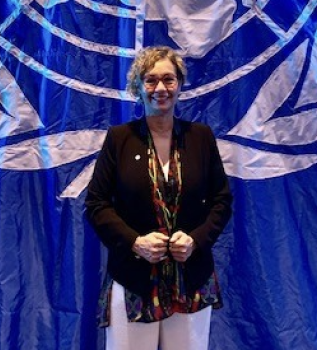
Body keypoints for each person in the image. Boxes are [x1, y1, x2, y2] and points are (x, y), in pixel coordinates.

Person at [85, 46, 233, 350]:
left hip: (191, 280)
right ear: (137, 87)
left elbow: (222, 201)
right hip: (133, 281)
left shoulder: (201, 137)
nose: (160, 89)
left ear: (180, 84)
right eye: (150, 80)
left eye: (168, 79)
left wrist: (195, 240)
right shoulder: (119, 139)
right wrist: (134, 242)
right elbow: (96, 203)